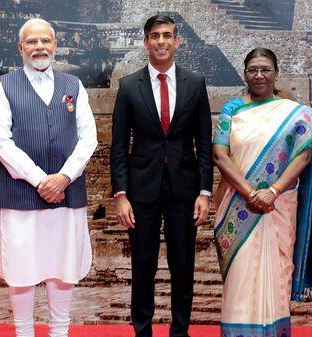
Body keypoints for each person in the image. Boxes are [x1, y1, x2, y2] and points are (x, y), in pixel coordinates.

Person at [0, 18, 98, 337]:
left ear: (55, 45)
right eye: (32, 42)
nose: (39, 47)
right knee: (21, 270)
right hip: (21, 197)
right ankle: (24, 332)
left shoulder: (73, 86)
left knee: (63, 267)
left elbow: (87, 137)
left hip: (67, 196)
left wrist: (63, 178)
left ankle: (59, 332)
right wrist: (40, 180)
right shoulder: (4, 86)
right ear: (21, 47)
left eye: (45, 41)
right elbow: (0, 140)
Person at [110, 14, 213, 337]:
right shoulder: (128, 86)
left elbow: (204, 142)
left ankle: (179, 331)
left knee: (183, 266)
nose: (161, 42)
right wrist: (121, 195)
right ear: (146, 42)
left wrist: (204, 192)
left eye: (167, 35)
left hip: (184, 190)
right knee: (143, 267)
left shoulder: (195, 83)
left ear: (177, 41)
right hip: (141, 192)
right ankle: (142, 331)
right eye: (155, 36)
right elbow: (118, 146)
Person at [212, 48, 312, 337]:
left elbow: (304, 155)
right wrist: (250, 192)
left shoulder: (295, 113)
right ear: (244, 73)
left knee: (276, 278)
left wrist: (272, 191)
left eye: (265, 70)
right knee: (239, 282)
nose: (259, 76)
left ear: (276, 73)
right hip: (238, 206)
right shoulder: (232, 109)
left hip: (278, 207)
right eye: (252, 70)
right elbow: (220, 155)